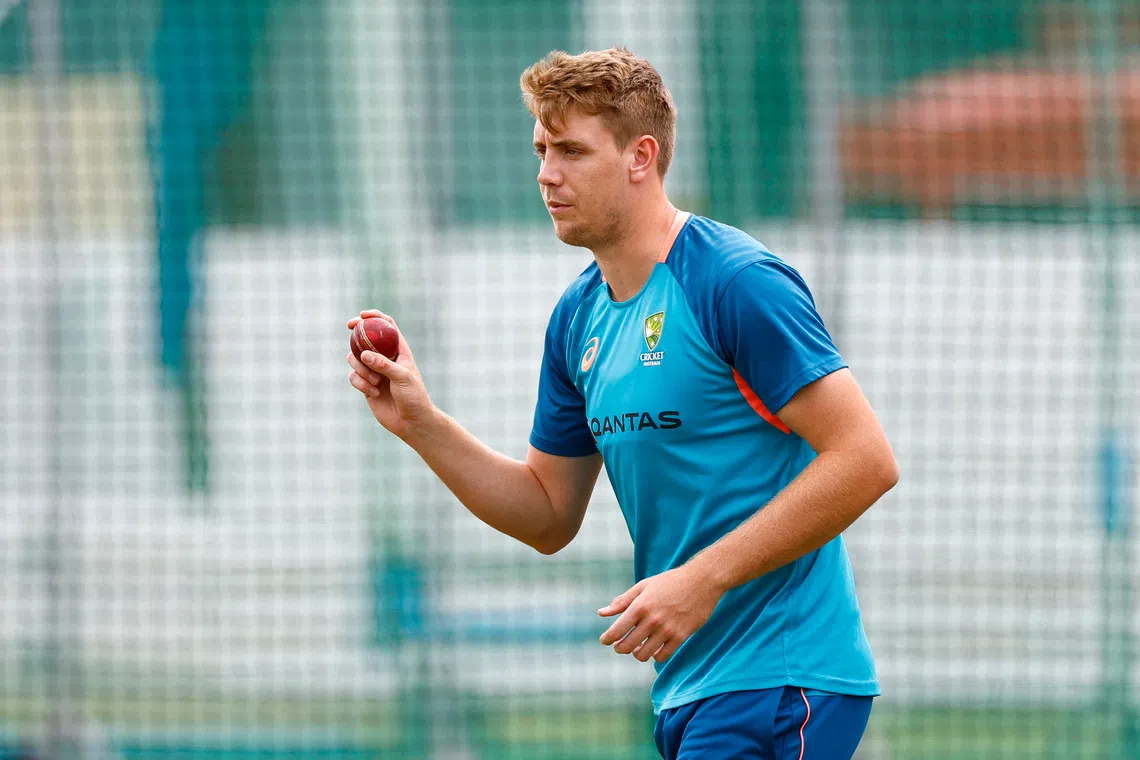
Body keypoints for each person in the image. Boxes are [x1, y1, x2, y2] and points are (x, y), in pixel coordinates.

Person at [346, 47, 898, 760]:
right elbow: (547, 514)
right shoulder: (578, 317)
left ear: (641, 156)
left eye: (572, 151)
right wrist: (422, 425)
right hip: (689, 689)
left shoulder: (734, 282)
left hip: (781, 680)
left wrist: (703, 579)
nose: (547, 173)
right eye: (542, 149)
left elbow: (865, 459)